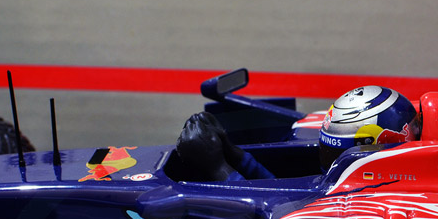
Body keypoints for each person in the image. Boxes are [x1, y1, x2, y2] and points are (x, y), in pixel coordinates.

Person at [174, 85, 421, 180]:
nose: (326, 158)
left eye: (337, 153)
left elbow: (283, 214)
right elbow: (278, 191)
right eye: (327, 148)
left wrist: (219, 170)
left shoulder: (363, 204)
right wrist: (233, 154)